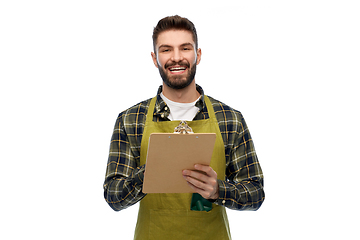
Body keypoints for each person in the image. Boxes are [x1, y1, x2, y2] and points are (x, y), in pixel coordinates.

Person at [103, 15, 265, 240]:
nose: (176, 58)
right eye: (166, 50)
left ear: (197, 55)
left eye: (185, 48)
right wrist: (149, 174)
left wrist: (219, 190)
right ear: (155, 58)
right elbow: (113, 197)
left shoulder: (230, 119)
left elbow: (256, 193)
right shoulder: (131, 119)